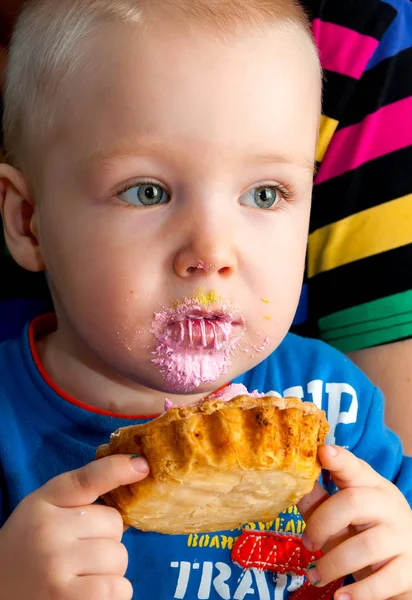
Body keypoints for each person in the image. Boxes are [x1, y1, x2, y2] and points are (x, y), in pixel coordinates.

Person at [0, 1, 412, 599]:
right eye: (147, 192)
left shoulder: (342, 411)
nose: (213, 250)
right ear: (29, 220)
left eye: (266, 194)